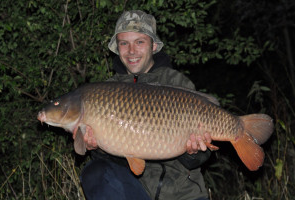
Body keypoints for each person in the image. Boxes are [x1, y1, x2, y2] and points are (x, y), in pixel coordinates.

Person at [80, 10, 212, 200]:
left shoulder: (176, 83)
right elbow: (112, 163)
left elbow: (200, 159)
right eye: (124, 43)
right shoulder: (106, 91)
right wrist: (97, 147)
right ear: (117, 48)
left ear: (154, 46)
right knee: (95, 173)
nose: (131, 51)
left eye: (139, 42)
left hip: (182, 194)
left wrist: (192, 152)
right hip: (135, 191)